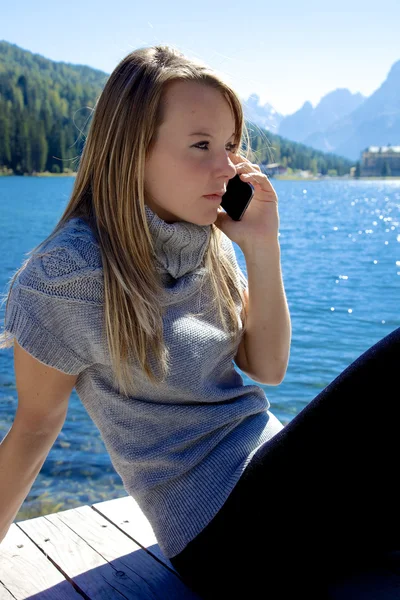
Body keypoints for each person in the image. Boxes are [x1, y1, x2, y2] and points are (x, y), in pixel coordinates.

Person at [0, 44, 399, 600]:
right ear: (132, 152)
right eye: (201, 145)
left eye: (231, 146)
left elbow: (268, 367)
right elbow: (35, 428)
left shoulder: (205, 240)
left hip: (278, 490)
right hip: (223, 535)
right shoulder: (68, 274)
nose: (227, 167)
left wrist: (262, 245)